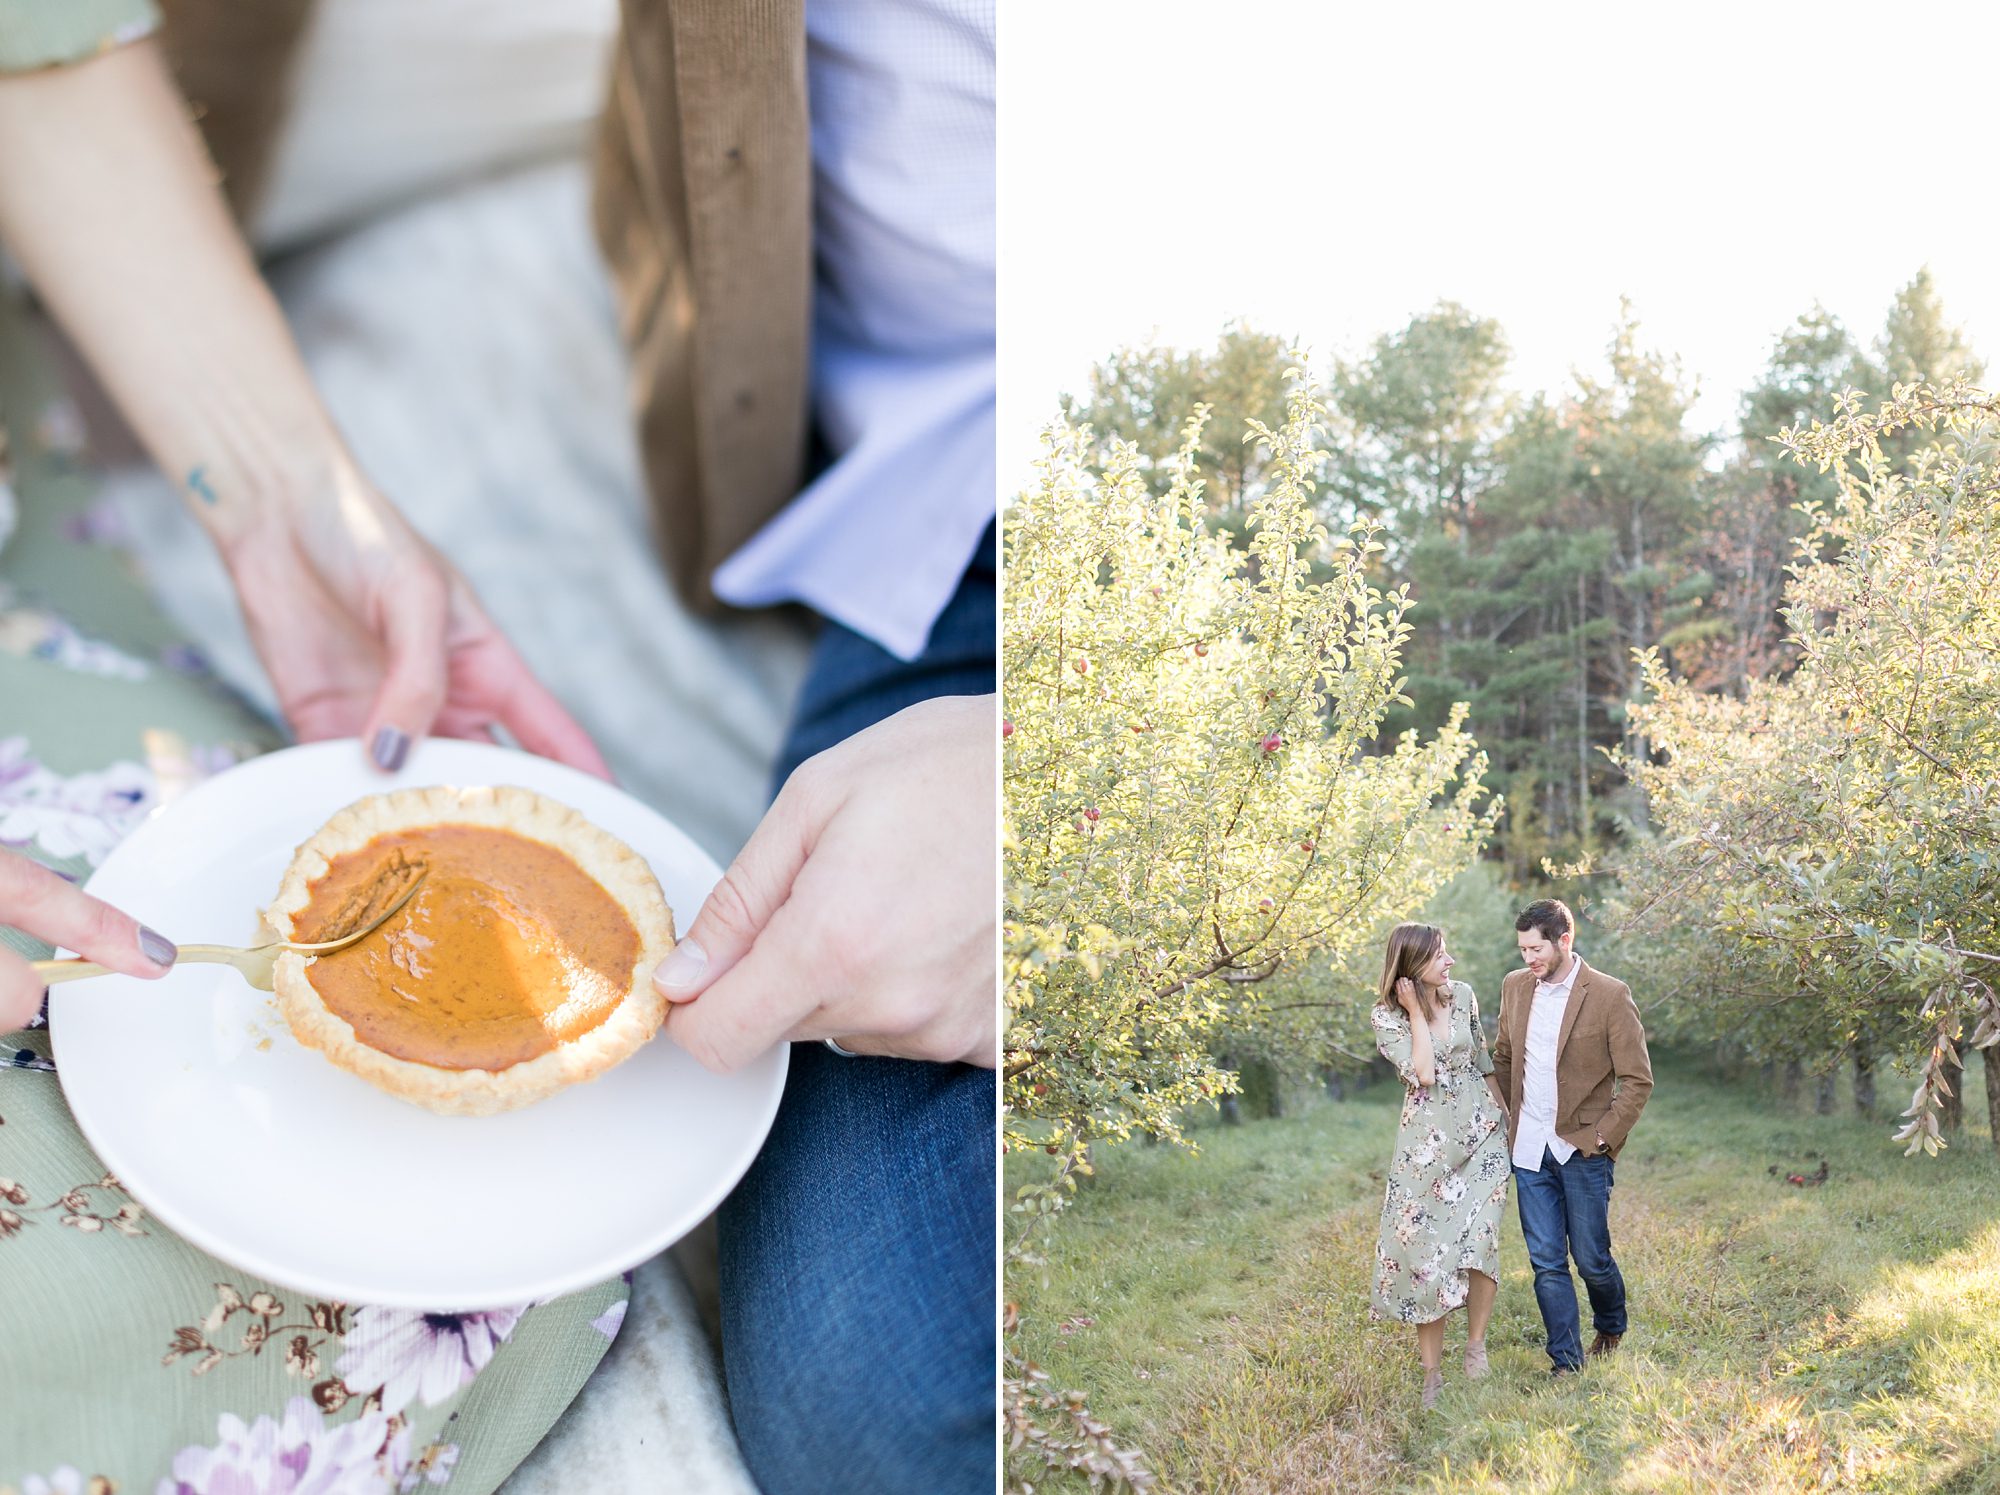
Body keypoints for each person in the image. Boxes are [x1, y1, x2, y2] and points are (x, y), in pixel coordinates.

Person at [1490, 898, 1653, 1376]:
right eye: (1522, 950)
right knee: (1546, 1261)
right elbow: (1502, 1057)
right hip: (1528, 1150)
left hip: (1583, 1149)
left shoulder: (1608, 994)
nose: (1528, 959)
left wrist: (1603, 1138)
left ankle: (1611, 1324)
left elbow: (1637, 1079)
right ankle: (1566, 1360)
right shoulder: (1515, 988)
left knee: (1591, 1258)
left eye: (1536, 948)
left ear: (1565, 940)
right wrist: (1503, 1118)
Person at [1368, 923, 1511, 1410]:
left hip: (1483, 1138)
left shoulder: (1464, 995)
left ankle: (1475, 1345)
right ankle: (1432, 1374)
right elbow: (1424, 1073)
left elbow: (1484, 1061)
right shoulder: (1387, 1017)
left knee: (1480, 1241)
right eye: (1439, 956)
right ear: (1411, 967)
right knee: (1428, 1257)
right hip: (1426, 1152)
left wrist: (1505, 1117)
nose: (1450, 962)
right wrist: (1414, 1013)